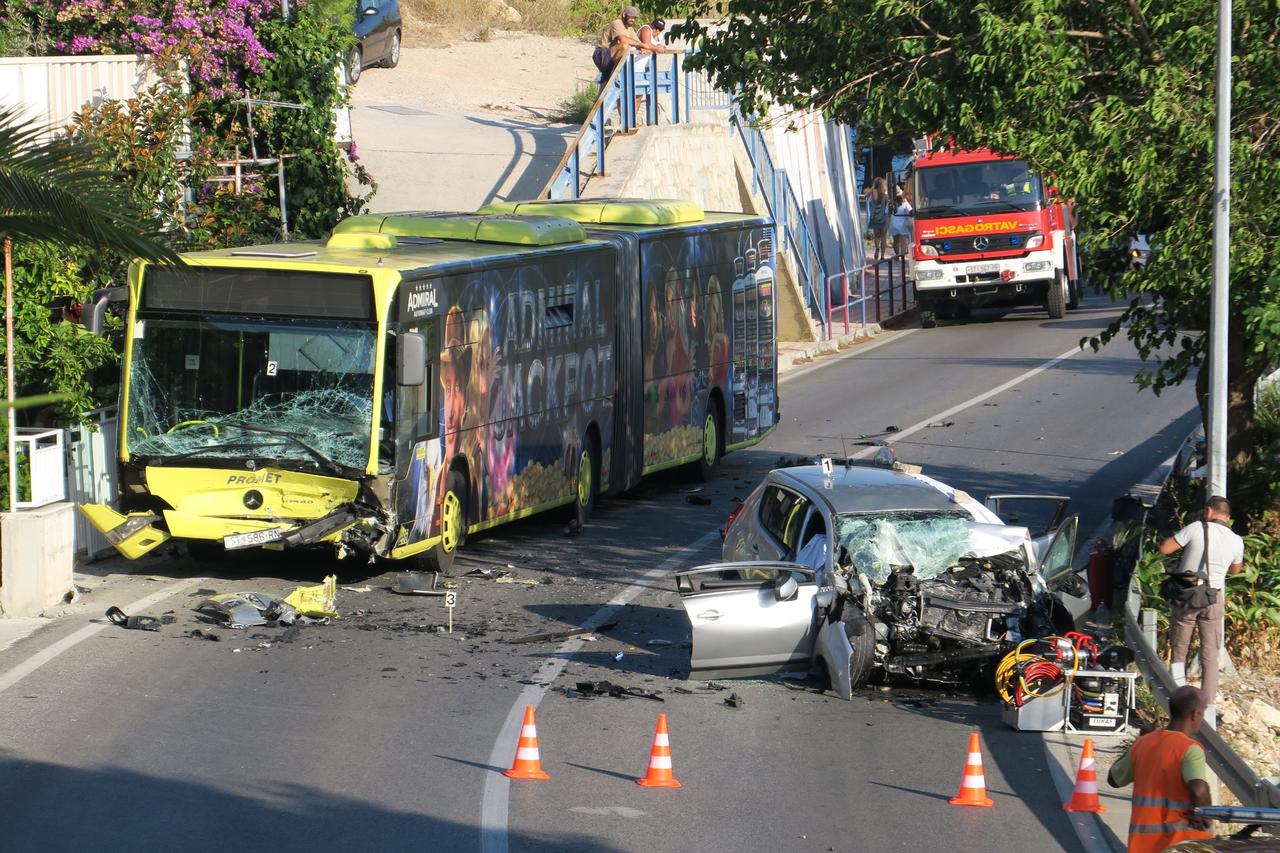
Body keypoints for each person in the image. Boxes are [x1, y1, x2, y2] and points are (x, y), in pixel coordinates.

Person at [1157, 495, 1245, 714]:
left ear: (1208, 512)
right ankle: (1206, 708)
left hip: (1188, 596)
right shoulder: (1236, 540)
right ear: (1228, 518)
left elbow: (1165, 548)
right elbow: (1236, 570)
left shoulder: (1196, 527)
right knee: (1210, 655)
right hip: (1214, 598)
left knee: (1179, 650)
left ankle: (1178, 702)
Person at [1107, 685, 1215, 851]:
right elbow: (1199, 790)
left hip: (1142, 845)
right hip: (1182, 845)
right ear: (1194, 715)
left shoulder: (1143, 743)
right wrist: (1206, 815)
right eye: (1202, 713)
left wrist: (1139, 740)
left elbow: (1114, 779)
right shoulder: (1190, 749)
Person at [862, 177, 890, 261]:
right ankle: (882, 256)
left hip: (874, 217)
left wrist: (871, 189)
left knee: (877, 236)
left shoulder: (872, 192)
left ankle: (877, 248)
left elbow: (865, 196)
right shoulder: (885, 194)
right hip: (883, 217)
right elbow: (889, 203)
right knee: (883, 237)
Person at [889, 187, 913, 259]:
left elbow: (887, 213)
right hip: (903, 224)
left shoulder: (891, 204)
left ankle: (897, 254)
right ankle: (902, 256)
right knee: (903, 242)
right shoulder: (905, 203)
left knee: (896, 241)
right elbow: (910, 211)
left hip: (893, 223)